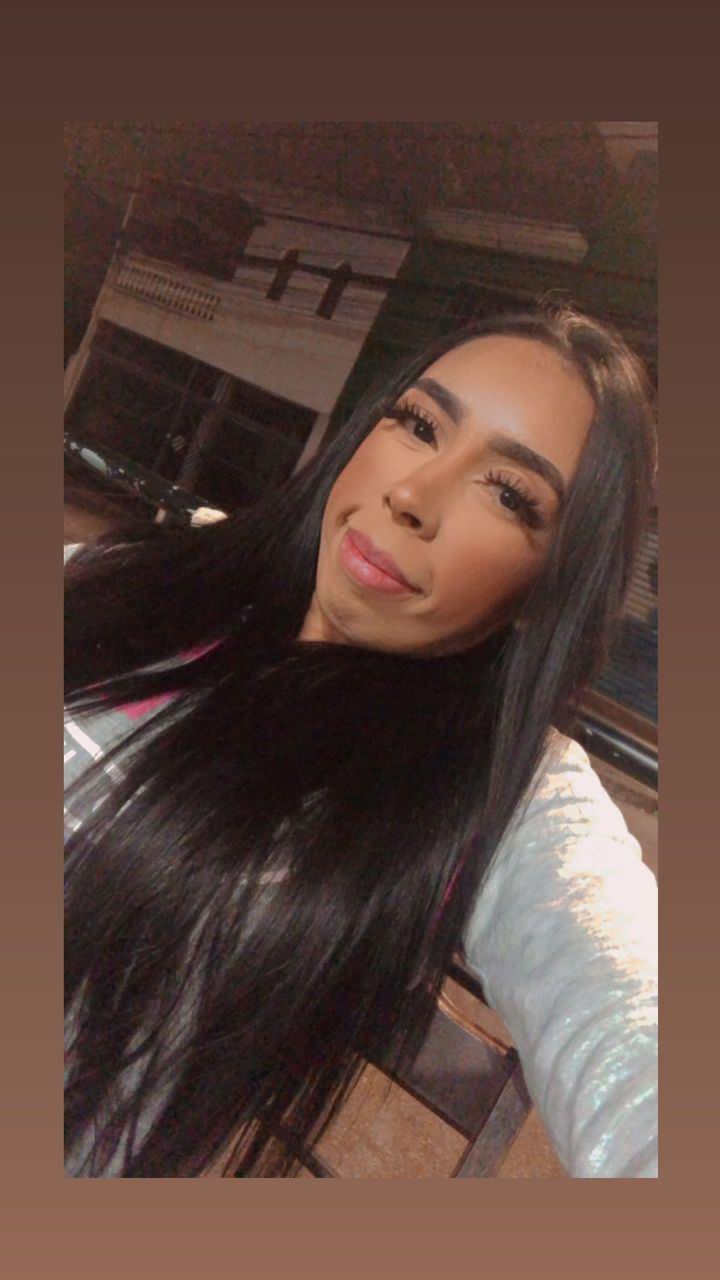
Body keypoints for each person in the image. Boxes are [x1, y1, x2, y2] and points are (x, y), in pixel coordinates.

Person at [64, 304, 658, 1179]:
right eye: (419, 424)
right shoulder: (158, 576)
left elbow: (638, 1042)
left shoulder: (503, 786)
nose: (412, 495)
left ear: (550, 589)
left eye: (508, 494)